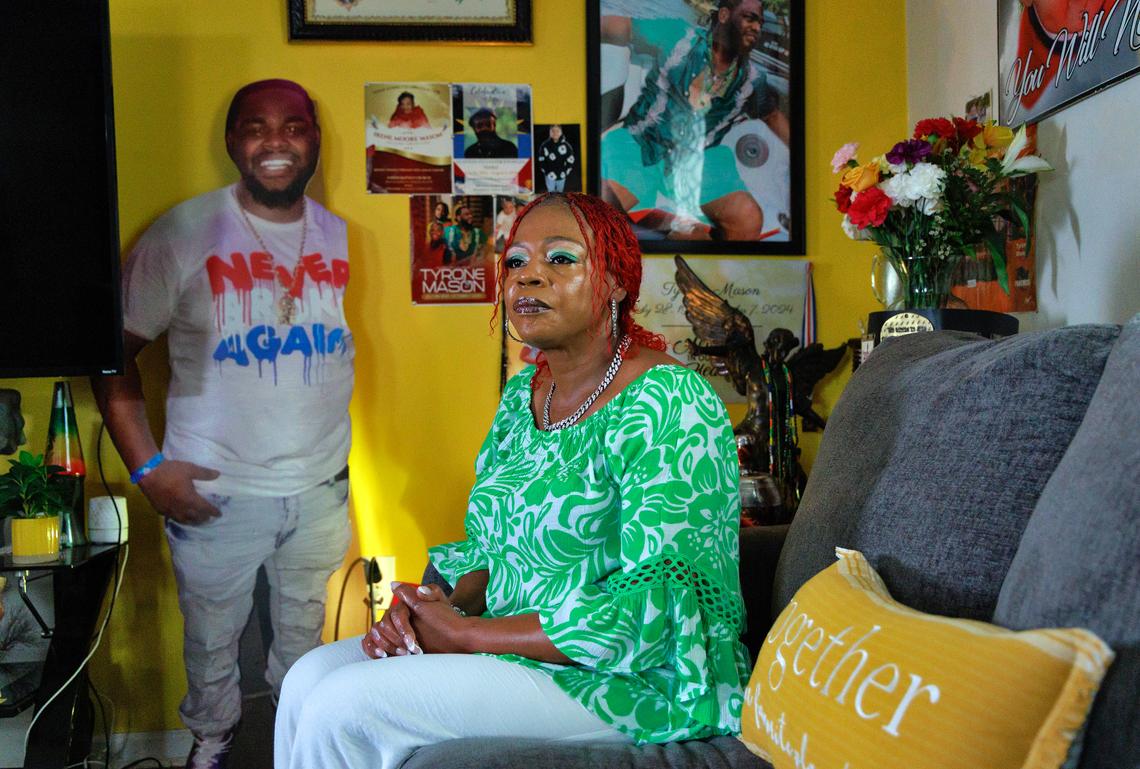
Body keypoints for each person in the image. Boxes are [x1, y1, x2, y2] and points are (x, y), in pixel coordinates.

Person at [274, 193, 750, 769]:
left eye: (561, 260)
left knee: (346, 707)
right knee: (308, 677)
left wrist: (470, 636)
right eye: (517, 263)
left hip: (640, 677)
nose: (530, 278)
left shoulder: (670, 401)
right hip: (516, 648)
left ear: (618, 283)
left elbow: (654, 614)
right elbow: (489, 554)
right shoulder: (522, 399)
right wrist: (432, 607)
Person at [91, 79, 353, 769]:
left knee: (304, 635)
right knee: (212, 640)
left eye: (292, 126)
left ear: (315, 136)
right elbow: (110, 355)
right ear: (232, 140)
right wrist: (148, 469)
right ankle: (210, 744)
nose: (274, 142)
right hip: (217, 487)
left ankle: (298, 745)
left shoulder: (336, 233)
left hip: (321, 485)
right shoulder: (184, 230)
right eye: (255, 127)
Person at [599, 0, 790, 240]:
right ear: (723, 15)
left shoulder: (753, 80)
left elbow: (772, 115)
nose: (756, 27)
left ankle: (685, 241)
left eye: (760, 22)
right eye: (749, 18)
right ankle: (671, 230)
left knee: (748, 219)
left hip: (702, 160)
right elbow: (620, 28)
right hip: (642, 145)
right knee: (601, 213)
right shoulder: (677, 36)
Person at [537, 124, 576, 192]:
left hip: (561, 175)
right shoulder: (545, 145)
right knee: (550, 194)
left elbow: (571, 160)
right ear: (550, 132)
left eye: (557, 131)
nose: (555, 133)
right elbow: (541, 159)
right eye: (553, 131)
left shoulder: (566, 146)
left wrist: (566, 171)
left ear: (561, 132)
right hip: (549, 175)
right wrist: (546, 171)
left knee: (559, 194)